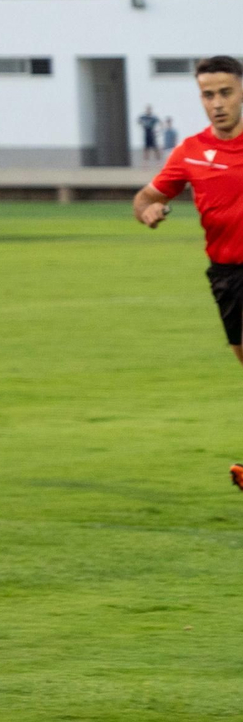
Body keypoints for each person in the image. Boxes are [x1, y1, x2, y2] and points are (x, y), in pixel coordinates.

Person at [133, 55, 243, 490]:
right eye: (208, 94)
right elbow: (144, 198)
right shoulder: (192, 152)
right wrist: (149, 211)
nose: (217, 103)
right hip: (226, 275)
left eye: (225, 92)